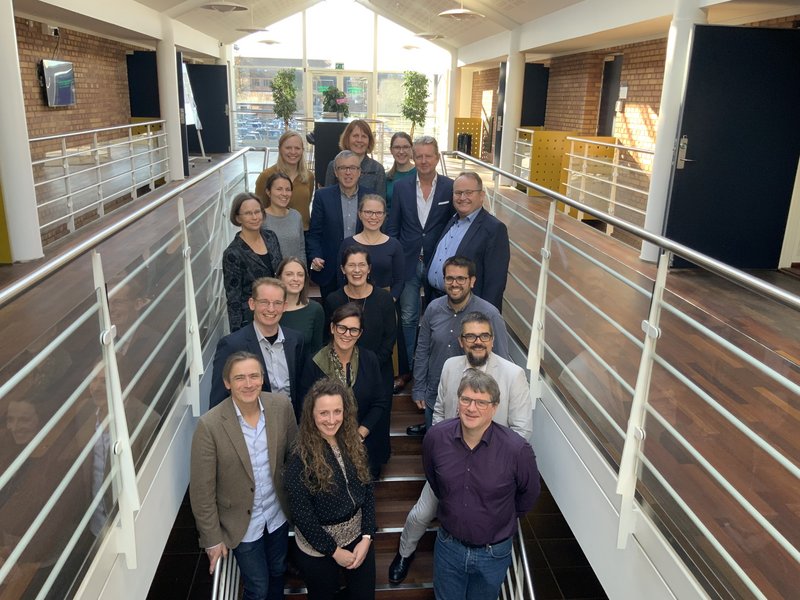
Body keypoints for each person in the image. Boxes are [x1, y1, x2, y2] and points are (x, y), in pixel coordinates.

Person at [388, 313, 532, 584]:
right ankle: (405, 553)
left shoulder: (513, 375)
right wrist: (443, 453)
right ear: (461, 341)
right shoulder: (450, 366)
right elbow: (440, 412)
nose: (478, 341)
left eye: (484, 336)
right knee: (421, 513)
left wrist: (494, 467)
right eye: (471, 336)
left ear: (492, 339)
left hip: (489, 470)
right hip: (451, 462)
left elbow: (521, 432)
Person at [423, 369, 540, 600]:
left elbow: (529, 494)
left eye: (481, 402)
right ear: (458, 402)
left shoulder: (517, 450)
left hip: (493, 554)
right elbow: (435, 481)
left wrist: (499, 515)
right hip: (449, 547)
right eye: (466, 399)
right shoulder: (436, 438)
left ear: (494, 407)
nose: (471, 408)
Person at [190, 352, 298, 600]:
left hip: (277, 514)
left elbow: (294, 457)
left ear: (263, 378)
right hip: (240, 523)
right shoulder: (209, 425)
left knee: (278, 571)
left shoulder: (281, 406)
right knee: (257, 587)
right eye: (239, 378)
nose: (248, 384)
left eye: (254, 376)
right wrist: (212, 539)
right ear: (227, 383)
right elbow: (201, 490)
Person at [284, 378, 376, 600]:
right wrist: (334, 551)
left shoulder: (353, 443)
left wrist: (367, 537)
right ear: (311, 414)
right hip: (318, 548)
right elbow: (302, 515)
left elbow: (368, 491)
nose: (332, 420)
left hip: (357, 538)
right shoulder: (299, 457)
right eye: (324, 413)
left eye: (337, 411)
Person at [409, 256, 509, 435]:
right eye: (450, 278)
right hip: (435, 397)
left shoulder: (490, 315)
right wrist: (418, 388)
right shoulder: (433, 309)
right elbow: (422, 350)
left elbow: (501, 360)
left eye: (461, 278)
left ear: (472, 281)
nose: (454, 284)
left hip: (475, 405)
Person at [386, 136, 454, 371]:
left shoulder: (449, 187)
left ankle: (433, 366)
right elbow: (393, 226)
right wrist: (394, 258)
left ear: (437, 157)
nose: (424, 161)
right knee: (408, 317)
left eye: (428, 156)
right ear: (414, 158)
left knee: (439, 317)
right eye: (419, 156)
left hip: (438, 262)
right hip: (408, 261)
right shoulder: (401, 187)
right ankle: (408, 368)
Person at [300, 303, 390, 478]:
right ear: (332, 328)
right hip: (324, 449)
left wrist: (360, 434)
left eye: (353, 330)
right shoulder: (314, 363)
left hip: (364, 446)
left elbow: (379, 402)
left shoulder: (369, 359)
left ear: (360, 334)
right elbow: (305, 407)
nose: (347, 334)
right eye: (342, 328)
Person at [210, 278, 304, 418]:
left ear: (284, 306)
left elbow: (302, 390)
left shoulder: (296, 340)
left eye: (277, 303)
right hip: (251, 425)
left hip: (291, 422)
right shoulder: (231, 345)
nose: (271, 309)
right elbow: (218, 402)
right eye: (264, 302)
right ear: (252, 304)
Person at [427, 171, 510, 310]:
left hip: (467, 309)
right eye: (458, 193)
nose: (462, 198)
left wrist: (483, 317)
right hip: (437, 302)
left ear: (481, 195)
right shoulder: (453, 220)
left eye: (469, 192)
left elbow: (495, 283)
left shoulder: (494, 229)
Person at [326, 245, 397, 397]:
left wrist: (369, 367)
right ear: (343, 269)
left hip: (378, 372)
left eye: (362, 265)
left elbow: (389, 339)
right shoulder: (333, 300)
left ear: (369, 268)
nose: (357, 270)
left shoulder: (384, 299)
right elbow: (328, 339)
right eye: (351, 265)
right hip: (342, 376)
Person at [307, 150, 373, 299]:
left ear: (359, 172)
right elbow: (314, 233)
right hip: (329, 268)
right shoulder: (322, 196)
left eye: (352, 168)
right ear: (336, 172)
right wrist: (315, 256)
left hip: (360, 269)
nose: (348, 172)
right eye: (343, 168)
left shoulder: (370, 197)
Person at [223, 192, 283, 332]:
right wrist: (237, 334)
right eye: (248, 213)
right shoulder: (232, 254)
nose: (255, 217)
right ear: (238, 218)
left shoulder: (271, 237)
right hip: (252, 320)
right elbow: (233, 299)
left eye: (257, 212)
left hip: (277, 312)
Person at [337, 194, 404, 300]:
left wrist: (391, 301)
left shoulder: (394, 245)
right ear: (360, 214)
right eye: (368, 212)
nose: (373, 217)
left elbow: (399, 280)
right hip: (353, 302)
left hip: (385, 301)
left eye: (379, 213)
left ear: (384, 215)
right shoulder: (347, 244)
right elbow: (340, 277)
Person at [255, 130, 315, 231]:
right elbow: (259, 208)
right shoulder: (266, 176)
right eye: (288, 148)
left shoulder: (309, 176)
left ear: (302, 150)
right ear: (280, 149)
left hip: (304, 231)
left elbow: (306, 204)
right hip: (275, 232)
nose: (293, 152)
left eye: (297, 148)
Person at [324, 119, 386, 198]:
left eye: (364, 136)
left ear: (369, 141)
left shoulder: (378, 169)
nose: (359, 140)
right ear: (347, 138)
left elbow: (380, 202)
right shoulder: (333, 165)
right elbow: (327, 199)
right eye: (355, 136)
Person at [277, 257, 325, 360]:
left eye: (300, 275)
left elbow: (317, 350)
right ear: (279, 277)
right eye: (289, 274)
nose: (295, 279)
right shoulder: (269, 310)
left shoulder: (315, 310)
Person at [263, 172, 306, 264]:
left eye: (288, 189)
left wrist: (303, 270)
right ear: (268, 192)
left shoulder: (296, 216)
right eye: (279, 189)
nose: (284, 193)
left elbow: (301, 249)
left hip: (295, 271)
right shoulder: (261, 218)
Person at [384, 132, 415, 210]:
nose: (401, 151)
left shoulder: (420, 174)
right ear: (391, 150)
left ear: (411, 149)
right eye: (397, 147)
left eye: (405, 147)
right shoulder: (385, 177)